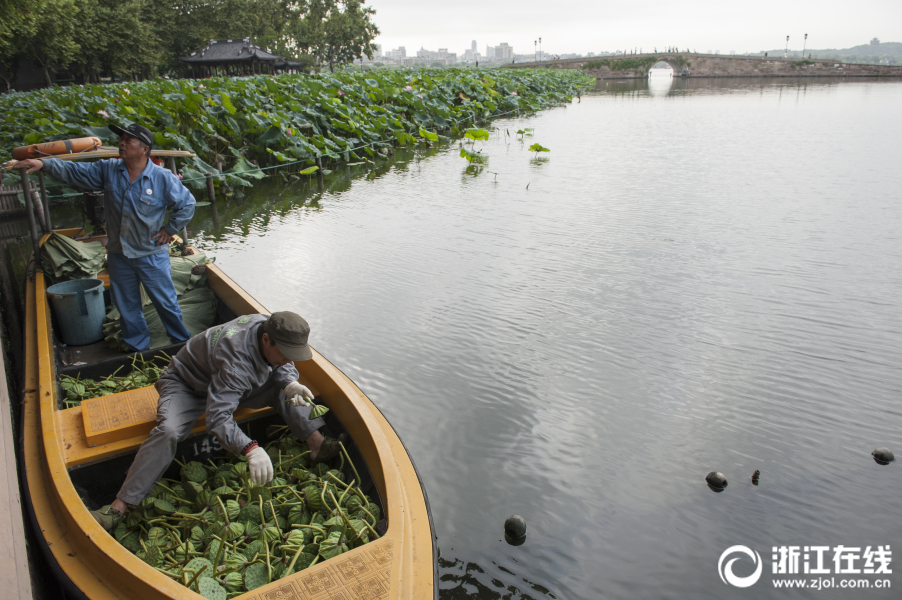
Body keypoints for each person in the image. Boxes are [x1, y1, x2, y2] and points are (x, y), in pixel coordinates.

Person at [91, 311, 346, 531]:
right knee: (168, 430)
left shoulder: (267, 324)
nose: (290, 359)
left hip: (229, 384)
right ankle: (119, 507)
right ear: (266, 340)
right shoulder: (236, 361)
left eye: (294, 354)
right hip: (188, 386)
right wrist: (251, 449)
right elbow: (217, 417)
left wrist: (290, 382)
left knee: (285, 389)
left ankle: (318, 445)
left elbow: (280, 364)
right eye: (286, 353)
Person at [17, 124, 195, 352]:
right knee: (127, 307)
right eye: (121, 138)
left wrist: (169, 229)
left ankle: (181, 345)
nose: (122, 143)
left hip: (151, 254)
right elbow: (75, 172)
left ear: (144, 149)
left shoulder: (162, 177)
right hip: (119, 255)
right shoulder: (109, 169)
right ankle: (137, 350)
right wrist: (44, 163)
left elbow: (187, 204)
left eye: (128, 140)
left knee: (166, 303)